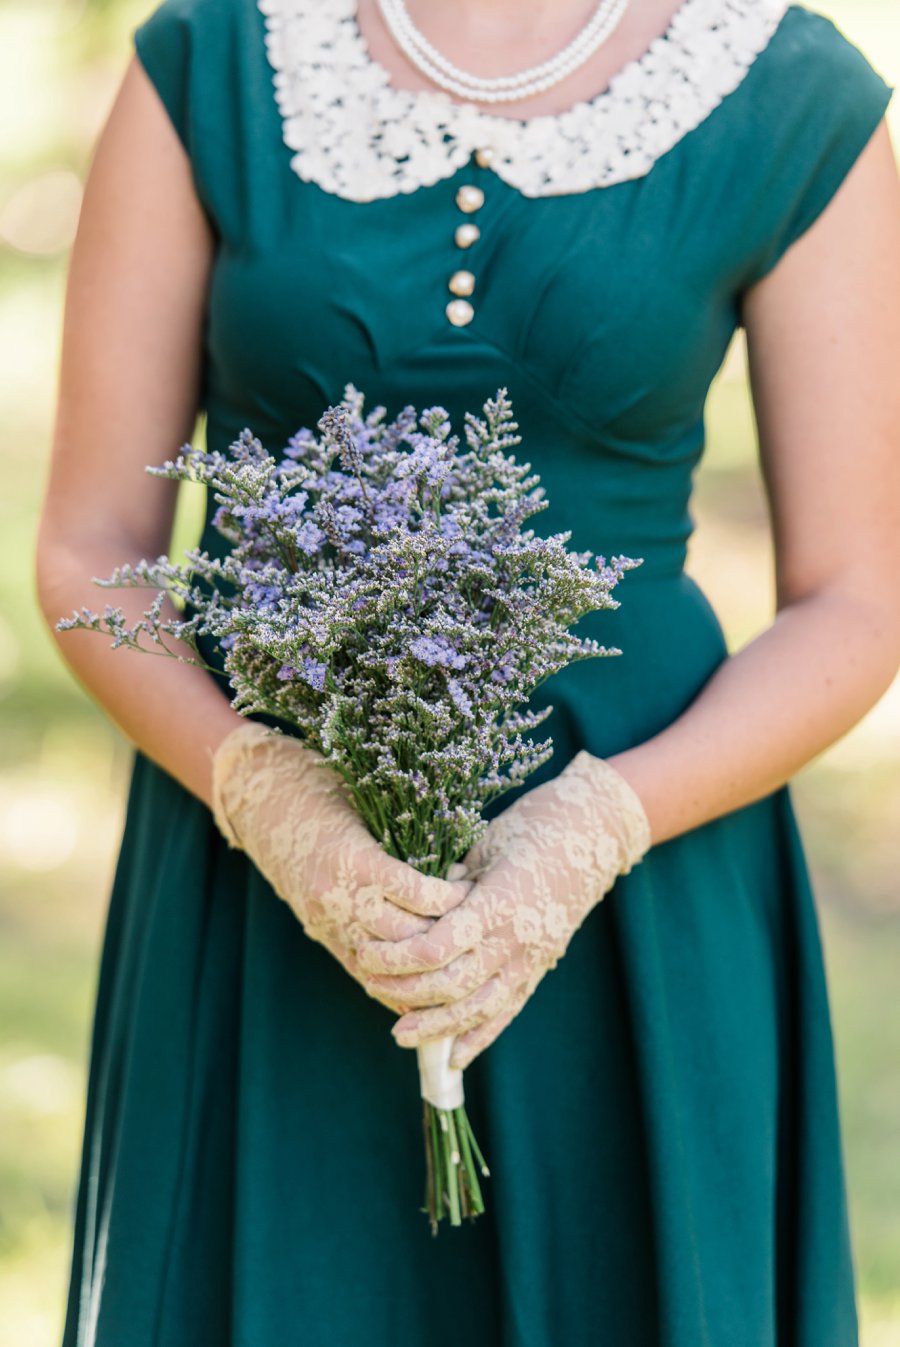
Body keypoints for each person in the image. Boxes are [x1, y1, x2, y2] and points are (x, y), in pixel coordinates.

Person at [34, 0, 900, 1342]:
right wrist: (268, 794)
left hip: (643, 896)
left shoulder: (789, 91)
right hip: (262, 887)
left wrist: (592, 830)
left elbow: (859, 600)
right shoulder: (211, 62)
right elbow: (94, 546)